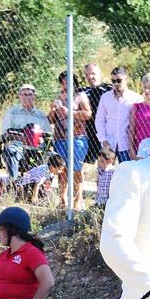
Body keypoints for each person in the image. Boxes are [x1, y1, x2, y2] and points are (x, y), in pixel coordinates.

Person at [49, 71, 94, 210]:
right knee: (62, 169)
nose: (66, 84)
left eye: (68, 81)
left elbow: (88, 114)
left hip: (78, 137)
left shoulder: (80, 96)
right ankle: (63, 200)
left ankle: (77, 200)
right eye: (63, 81)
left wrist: (70, 112)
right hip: (60, 138)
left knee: (76, 169)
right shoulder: (57, 98)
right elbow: (50, 120)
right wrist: (53, 111)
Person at [93, 67, 141, 163]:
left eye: (119, 80)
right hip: (108, 144)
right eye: (113, 81)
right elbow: (99, 119)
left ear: (126, 79)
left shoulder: (136, 98)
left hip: (126, 144)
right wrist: (103, 140)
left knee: (126, 173)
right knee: (105, 173)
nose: (116, 84)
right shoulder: (105, 97)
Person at [130, 72, 150, 158]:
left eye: (149, 88)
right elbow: (132, 131)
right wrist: (132, 151)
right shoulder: (136, 107)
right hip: (141, 151)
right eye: (144, 87)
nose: (146, 90)